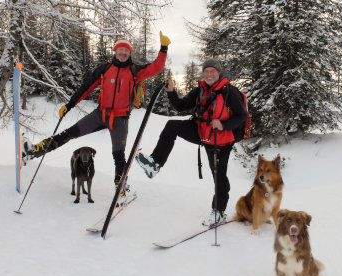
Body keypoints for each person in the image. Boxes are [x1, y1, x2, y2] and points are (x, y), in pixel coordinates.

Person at [24, 32, 171, 196]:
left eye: (126, 50)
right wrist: (70, 105)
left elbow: (157, 67)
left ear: (129, 53)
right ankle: (34, 151)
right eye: (120, 49)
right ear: (115, 51)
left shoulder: (135, 70)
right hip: (100, 114)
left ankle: (120, 189)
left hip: (120, 119)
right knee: (69, 133)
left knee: (118, 154)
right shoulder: (105, 68)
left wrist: (163, 49)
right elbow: (86, 87)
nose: (123, 53)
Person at [135, 58, 247, 227]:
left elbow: (241, 116)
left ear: (218, 73)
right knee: (172, 125)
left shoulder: (230, 91)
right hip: (202, 132)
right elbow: (180, 106)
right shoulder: (200, 89)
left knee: (219, 176)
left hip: (220, 141)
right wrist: (171, 91)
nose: (209, 74)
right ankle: (154, 164)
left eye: (213, 71)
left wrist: (223, 125)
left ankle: (219, 211)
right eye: (206, 71)